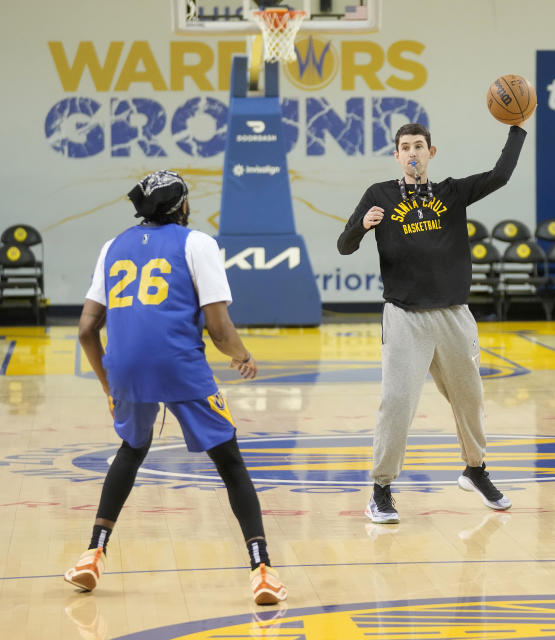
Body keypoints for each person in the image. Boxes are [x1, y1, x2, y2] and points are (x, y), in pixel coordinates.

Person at [64, 170, 287, 605]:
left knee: (131, 450)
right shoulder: (197, 243)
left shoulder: (112, 246)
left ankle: (93, 553)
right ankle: (261, 568)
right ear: (181, 207)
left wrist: (110, 386)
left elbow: (87, 328)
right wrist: (242, 356)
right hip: (179, 365)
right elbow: (219, 329)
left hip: (124, 367)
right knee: (230, 463)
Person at [337, 122, 526, 523]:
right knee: (397, 403)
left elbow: (500, 175)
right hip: (405, 317)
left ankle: (475, 470)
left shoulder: (451, 193)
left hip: (453, 314)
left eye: (419, 146)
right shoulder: (380, 195)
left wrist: (518, 129)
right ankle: (381, 490)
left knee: (469, 399)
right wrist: (362, 225)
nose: (412, 153)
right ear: (396, 155)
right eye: (405, 147)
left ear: (430, 153)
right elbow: (344, 245)